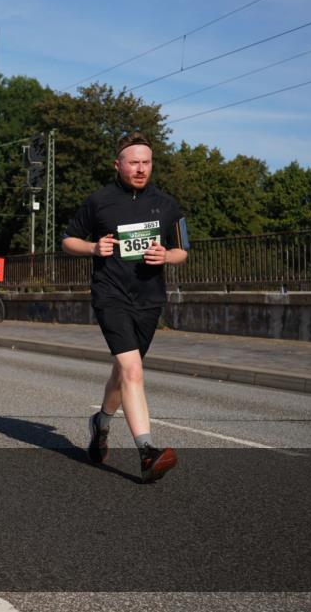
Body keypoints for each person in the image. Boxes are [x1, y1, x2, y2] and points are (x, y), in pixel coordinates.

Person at [62, 131, 189, 484]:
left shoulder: (167, 204)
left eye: (146, 162)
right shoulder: (99, 201)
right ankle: (147, 451)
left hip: (149, 299)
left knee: (123, 371)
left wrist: (167, 255)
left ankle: (101, 421)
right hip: (110, 295)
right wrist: (93, 248)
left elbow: (183, 250)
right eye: (133, 162)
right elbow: (68, 240)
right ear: (117, 164)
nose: (140, 169)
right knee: (132, 370)